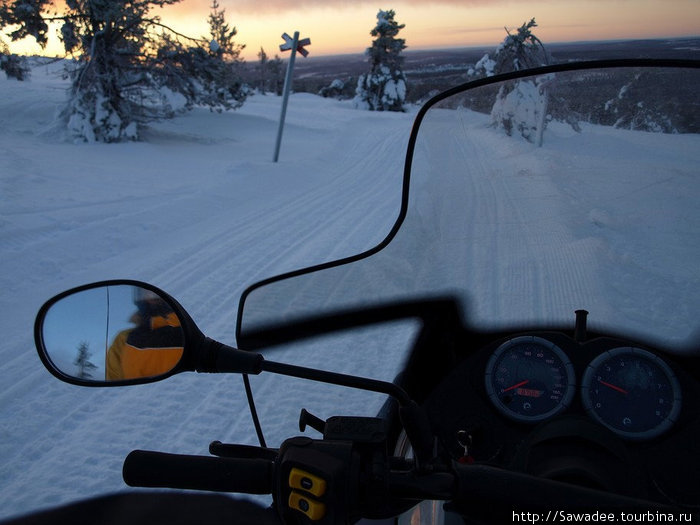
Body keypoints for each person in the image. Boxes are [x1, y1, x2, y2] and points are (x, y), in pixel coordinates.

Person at [105, 288, 184, 381]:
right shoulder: (122, 338)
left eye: (153, 294)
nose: (149, 298)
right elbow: (114, 382)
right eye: (143, 294)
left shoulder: (188, 327)